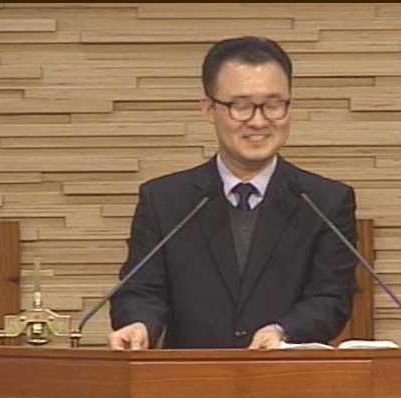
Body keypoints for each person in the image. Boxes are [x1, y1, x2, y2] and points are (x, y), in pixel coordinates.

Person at [109, 36, 357, 350]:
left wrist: (282, 331)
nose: (258, 121)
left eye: (273, 105)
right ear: (209, 109)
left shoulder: (324, 201)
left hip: (285, 374)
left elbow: (332, 297)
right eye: (241, 106)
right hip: (189, 376)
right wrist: (139, 323)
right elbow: (141, 290)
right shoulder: (165, 200)